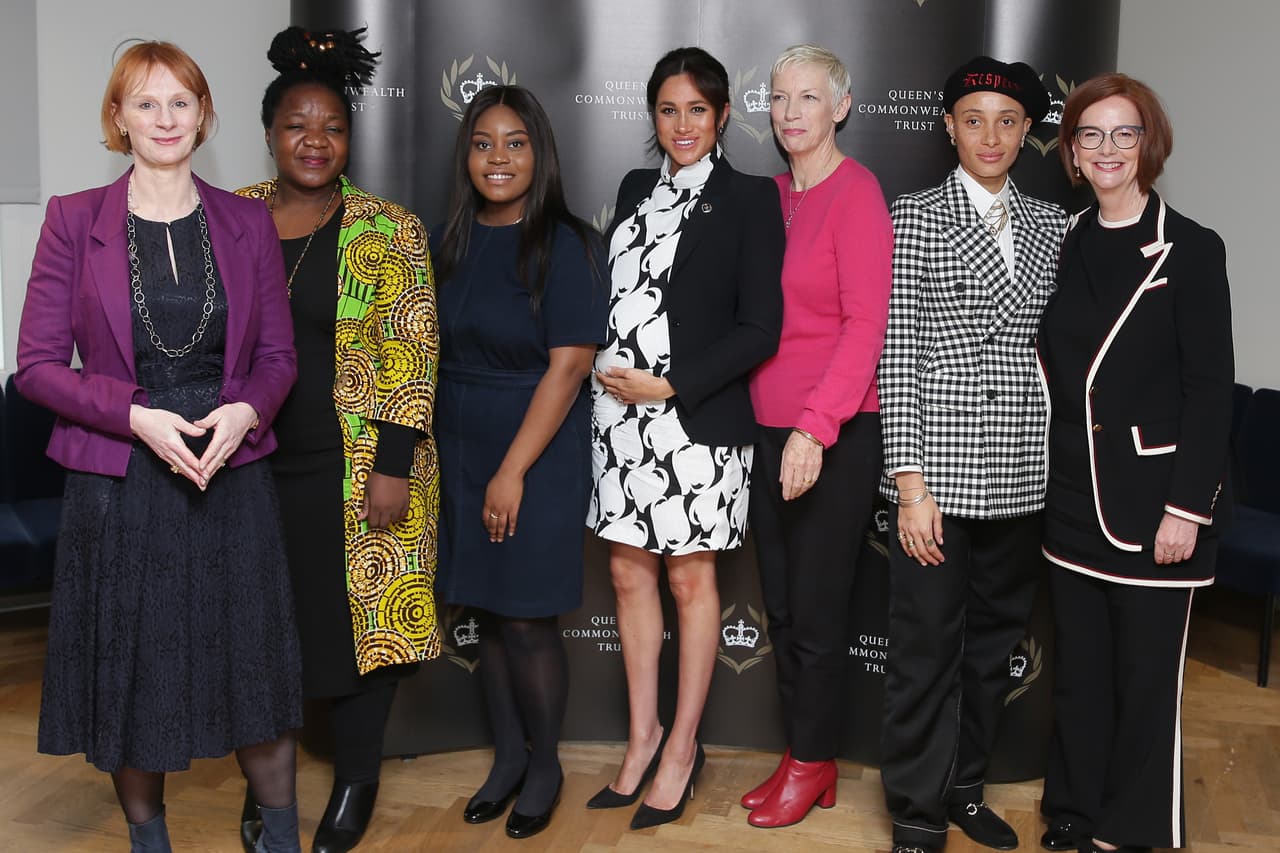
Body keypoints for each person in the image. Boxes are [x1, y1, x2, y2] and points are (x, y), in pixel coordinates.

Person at [16, 41, 302, 853]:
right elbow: (35, 367)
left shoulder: (248, 220)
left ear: (205, 116)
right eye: (146, 102)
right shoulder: (74, 220)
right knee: (135, 682)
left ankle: (278, 841)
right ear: (118, 118)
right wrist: (136, 416)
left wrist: (246, 412)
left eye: (182, 102)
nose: (165, 118)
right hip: (121, 483)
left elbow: (278, 360)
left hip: (231, 473)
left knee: (257, 675)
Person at [235, 27, 440, 853]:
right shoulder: (232, 220)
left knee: (362, 634)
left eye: (331, 127)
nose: (314, 141)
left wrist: (393, 468)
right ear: (270, 132)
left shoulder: (387, 228)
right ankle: (268, 785)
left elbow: (411, 350)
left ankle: (356, 780)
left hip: (360, 467)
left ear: (349, 140)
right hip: (249, 468)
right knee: (262, 630)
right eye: (296, 125)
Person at [587, 45, 784, 831]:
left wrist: (669, 384)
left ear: (724, 114)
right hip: (617, 423)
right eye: (667, 110)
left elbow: (760, 328)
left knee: (688, 583)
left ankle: (681, 748)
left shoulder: (749, 200)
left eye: (696, 110)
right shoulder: (638, 189)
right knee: (628, 574)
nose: (681, 125)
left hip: (692, 424)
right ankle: (640, 739)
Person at [1036, 74, 1233, 853]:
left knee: (1146, 682)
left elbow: (1209, 388)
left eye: (1123, 133)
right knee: (1081, 675)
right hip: (1072, 501)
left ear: (1149, 142)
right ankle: (1074, 811)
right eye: (1091, 135)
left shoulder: (1191, 247)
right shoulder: (1067, 238)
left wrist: (1188, 507)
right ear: (1073, 152)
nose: (1107, 148)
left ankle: (1132, 826)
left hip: (1156, 504)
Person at [876, 56, 1067, 853]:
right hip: (939, 473)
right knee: (925, 650)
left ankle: (964, 786)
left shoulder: (1057, 226)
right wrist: (910, 483)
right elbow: (898, 354)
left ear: (1028, 133)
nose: (991, 135)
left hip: (1024, 468)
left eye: (1007, 121)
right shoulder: (914, 214)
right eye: (974, 119)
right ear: (948, 126)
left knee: (993, 648)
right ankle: (917, 807)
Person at [431, 85, 606, 840]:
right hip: (459, 440)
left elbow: (569, 369)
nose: (497, 158)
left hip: (532, 447)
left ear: (540, 153)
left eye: (515, 142)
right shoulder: (451, 241)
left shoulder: (562, 244)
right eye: (482, 143)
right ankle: (506, 758)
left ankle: (545, 767)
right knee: (488, 617)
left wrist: (512, 471)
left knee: (529, 621)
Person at [740, 44, 892, 829]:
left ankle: (811, 760)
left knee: (821, 611)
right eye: (778, 97)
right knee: (787, 614)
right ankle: (808, 754)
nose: (791, 111)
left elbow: (866, 325)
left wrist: (814, 428)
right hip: (765, 433)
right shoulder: (767, 199)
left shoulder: (857, 193)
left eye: (808, 97)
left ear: (842, 106)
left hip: (832, 434)